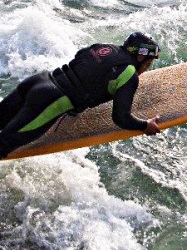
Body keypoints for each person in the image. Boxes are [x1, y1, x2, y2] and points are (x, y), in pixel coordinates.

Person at [0, 32, 161, 159]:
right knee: (3, 144)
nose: (147, 67)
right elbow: (121, 118)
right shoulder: (129, 73)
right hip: (52, 101)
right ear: (140, 56)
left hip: (38, 81)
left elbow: (80, 61)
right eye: (148, 62)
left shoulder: (103, 48)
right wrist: (144, 125)